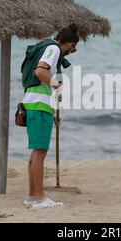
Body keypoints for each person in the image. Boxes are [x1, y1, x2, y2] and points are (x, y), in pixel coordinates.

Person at [21, 24, 79, 209]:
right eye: (74, 47)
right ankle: (39, 198)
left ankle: (31, 196)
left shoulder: (48, 47)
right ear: (68, 43)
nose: (73, 51)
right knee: (40, 152)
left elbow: (39, 72)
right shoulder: (53, 48)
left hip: (33, 102)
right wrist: (55, 84)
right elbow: (40, 71)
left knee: (35, 152)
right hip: (39, 105)